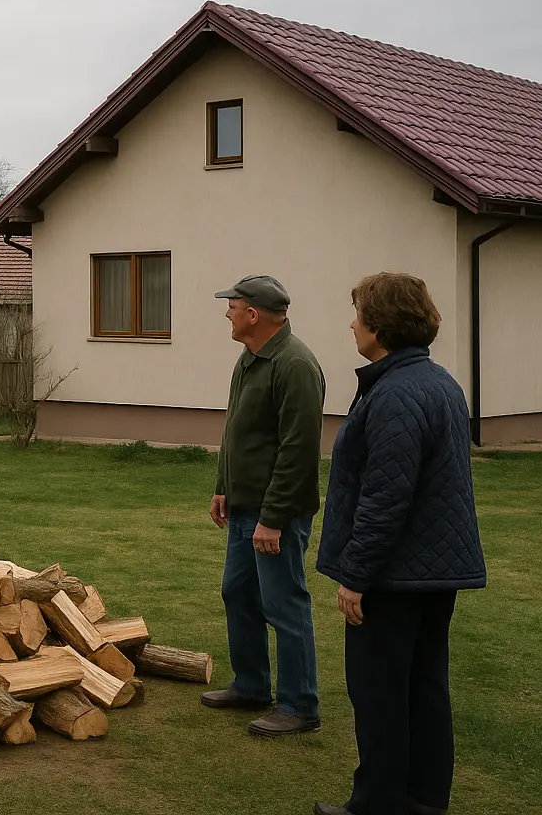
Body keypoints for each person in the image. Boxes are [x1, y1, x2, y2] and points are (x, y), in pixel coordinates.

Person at [312, 273, 485, 815]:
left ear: (380, 324)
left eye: (358, 312)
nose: (352, 323)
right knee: (424, 688)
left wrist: (355, 576)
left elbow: (386, 498)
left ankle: (378, 803)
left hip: (395, 575)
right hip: (433, 572)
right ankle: (423, 801)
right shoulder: (439, 382)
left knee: (382, 693)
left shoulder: (396, 393)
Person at [203, 274, 325, 736]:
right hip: (243, 507)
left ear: (252, 314)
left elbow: (298, 450)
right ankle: (252, 685)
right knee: (239, 593)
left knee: (284, 604)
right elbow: (237, 429)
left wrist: (272, 520)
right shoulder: (249, 359)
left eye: (231, 306)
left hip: (277, 513)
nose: (227, 314)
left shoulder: (294, 365)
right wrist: (223, 487)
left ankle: (299, 705)